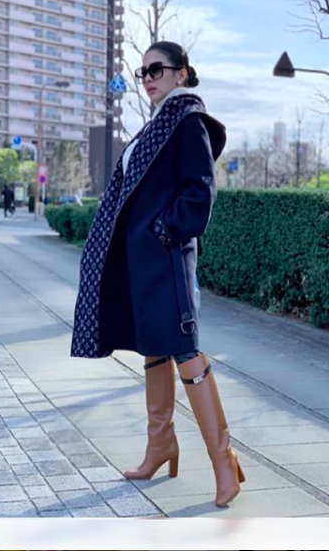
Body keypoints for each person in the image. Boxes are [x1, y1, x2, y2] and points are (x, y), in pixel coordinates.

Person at [70, 41, 244, 507]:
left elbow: (200, 192)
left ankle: (224, 463)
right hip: (141, 263)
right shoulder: (156, 125)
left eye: (157, 69)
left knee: (185, 350)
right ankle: (160, 445)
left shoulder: (188, 122)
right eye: (143, 71)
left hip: (166, 260)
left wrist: (165, 230)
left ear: (181, 73)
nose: (148, 78)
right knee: (153, 348)